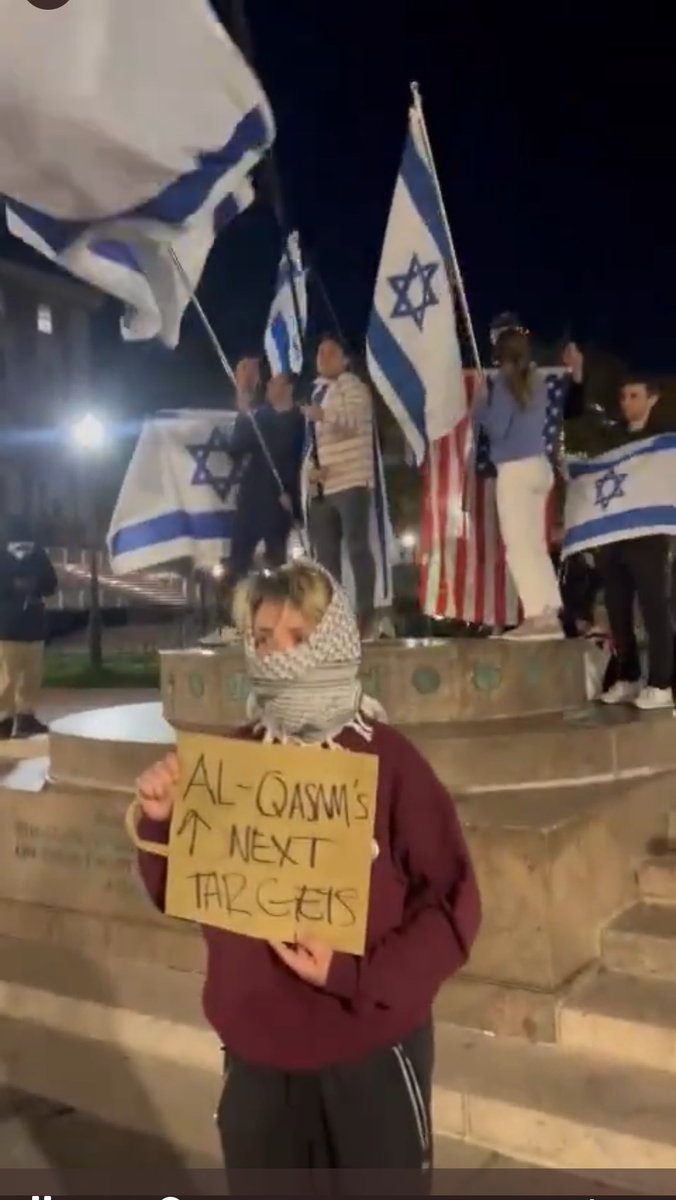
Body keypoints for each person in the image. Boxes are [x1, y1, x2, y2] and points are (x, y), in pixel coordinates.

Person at [135, 560, 480, 1192]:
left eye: (299, 637)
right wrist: (163, 823)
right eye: (263, 639)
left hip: (368, 1056)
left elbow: (454, 907)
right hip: (257, 1064)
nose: (277, 655)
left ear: (335, 642)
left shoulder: (391, 762)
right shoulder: (232, 763)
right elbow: (185, 891)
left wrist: (353, 973)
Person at [473, 328, 567, 639]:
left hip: (514, 470)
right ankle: (549, 613)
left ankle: (536, 615)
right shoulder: (537, 380)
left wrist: (480, 407)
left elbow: (497, 430)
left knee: (518, 547)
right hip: (539, 466)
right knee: (535, 546)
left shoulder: (502, 384)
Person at [595, 375, 674, 710]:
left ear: (651, 398)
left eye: (634, 396)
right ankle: (628, 677)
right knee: (618, 609)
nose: (626, 403)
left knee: (654, 610)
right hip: (616, 539)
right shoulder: (614, 439)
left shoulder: (665, 439)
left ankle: (661, 683)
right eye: (623, 396)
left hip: (649, 540)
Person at [305, 336, 377, 636]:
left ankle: (365, 615)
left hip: (351, 481)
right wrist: (312, 471)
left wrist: (323, 415)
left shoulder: (353, 386)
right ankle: (334, 618)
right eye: (320, 352)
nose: (324, 357)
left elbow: (353, 420)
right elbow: (315, 444)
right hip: (325, 487)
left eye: (331, 352)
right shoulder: (319, 392)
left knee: (357, 547)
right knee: (326, 559)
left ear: (345, 359)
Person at [227, 371, 306, 583]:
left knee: (278, 564)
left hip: (281, 503)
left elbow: (302, 462)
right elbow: (235, 449)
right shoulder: (258, 417)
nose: (269, 388)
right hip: (252, 499)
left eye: (275, 384)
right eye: (269, 383)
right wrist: (243, 416)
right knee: (238, 561)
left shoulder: (301, 421)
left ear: (289, 388)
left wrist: (295, 500)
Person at [0, 516, 57, 738]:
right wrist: (13, 585)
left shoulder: (38, 555)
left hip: (33, 624)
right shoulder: (3, 556)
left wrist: (36, 584)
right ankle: (4, 719)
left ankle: (25, 717)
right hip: (7, 625)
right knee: (7, 676)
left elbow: (51, 584)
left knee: (30, 676)